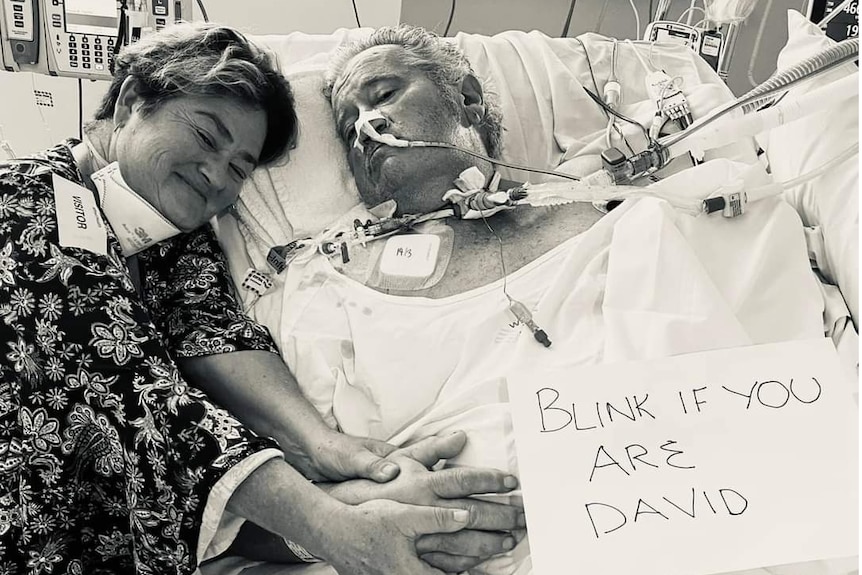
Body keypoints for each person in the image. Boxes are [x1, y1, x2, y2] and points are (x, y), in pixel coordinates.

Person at [222, 23, 823, 575]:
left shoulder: (634, 218)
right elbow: (226, 507)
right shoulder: (320, 287)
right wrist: (341, 521)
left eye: (382, 95)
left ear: (469, 98)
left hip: (666, 526)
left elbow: (770, 386)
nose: (361, 127)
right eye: (346, 120)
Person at [0, 22, 522, 575]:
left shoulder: (172, 237)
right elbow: (135, 389)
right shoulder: (23, 202)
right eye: (205, 137)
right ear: (131, 101)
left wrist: (332, 454)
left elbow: (212, 331)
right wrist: (332, 526)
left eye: (238, 168)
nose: (213, 177)